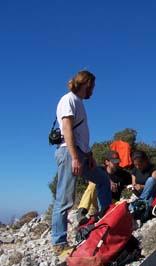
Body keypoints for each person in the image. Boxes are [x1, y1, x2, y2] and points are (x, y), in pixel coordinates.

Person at [52, 70, 112, 254]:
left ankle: (106, 219)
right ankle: (59, 242)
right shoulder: (68, 100)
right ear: (86, 83)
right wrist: (76, 157)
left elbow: (80, 135)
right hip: (70, 153)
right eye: (92, 86)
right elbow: (67, 130)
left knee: (102, 179)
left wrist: (90, 155)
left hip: (82, 153)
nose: (93, 90)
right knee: (64, 198)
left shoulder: (78, 103)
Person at [76, 151, 133, 224]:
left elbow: (134, 181)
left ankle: (102, 213)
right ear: (107, 162)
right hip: (97, 200)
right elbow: (90, 181)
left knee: (122, 204)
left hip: (112, 202)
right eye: (114, 161)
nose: (117, 163)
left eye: (118, 161)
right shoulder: (99, 170)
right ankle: (82, 211)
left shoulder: (123, 174)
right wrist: (108, 181)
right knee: (93, 184)